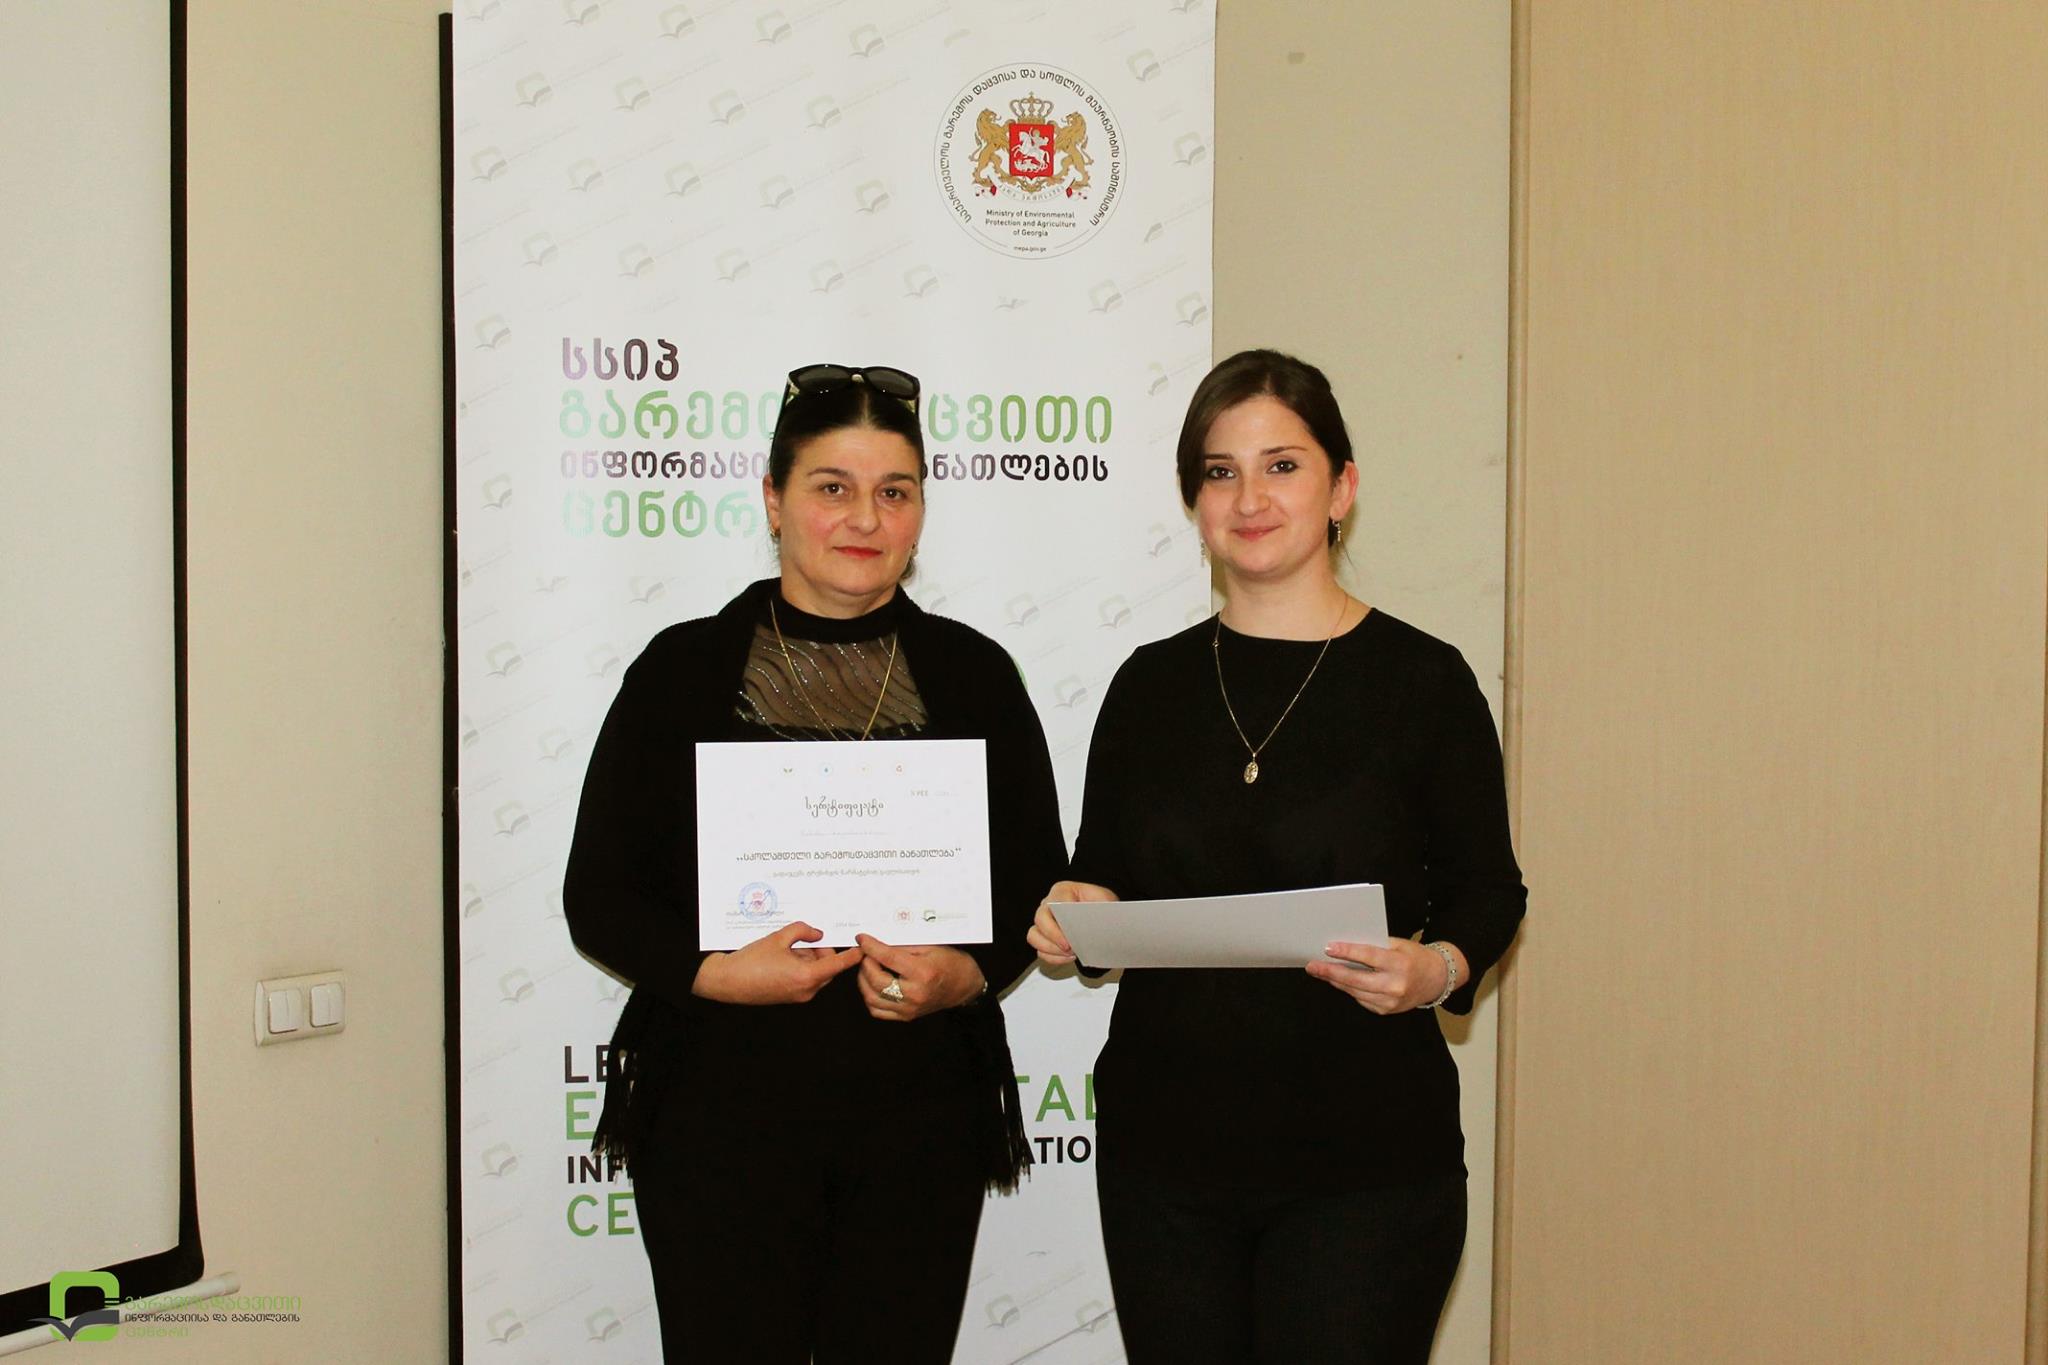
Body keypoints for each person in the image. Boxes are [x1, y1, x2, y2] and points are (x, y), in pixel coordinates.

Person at [1027, 349, 1527, 1364]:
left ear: (1341, 489)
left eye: (1282, 466)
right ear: (1193, 501)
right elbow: (1102, 872)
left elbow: (1488, 889)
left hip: (1367, 1168)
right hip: (1163, 1167)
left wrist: (1436, 969)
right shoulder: (1147, 687)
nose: (1249, 498)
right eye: (1220, 472)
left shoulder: (1424, 683)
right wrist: (1071, 912)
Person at [564, 363, 1065, 1365]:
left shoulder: (974, 675)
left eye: (894, 491)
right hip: (715, 1116)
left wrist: (966, 973)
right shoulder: (681, 672)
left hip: (918, 1121)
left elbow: (1034, 885)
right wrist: (716, 973)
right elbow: (600, 896)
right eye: (832, 487)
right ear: (772, 500)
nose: (864, 518)